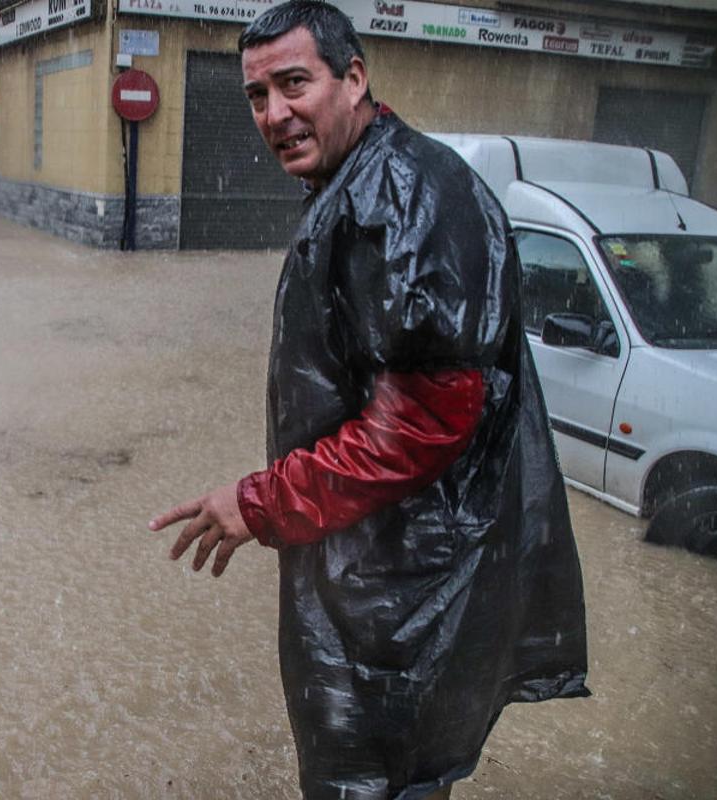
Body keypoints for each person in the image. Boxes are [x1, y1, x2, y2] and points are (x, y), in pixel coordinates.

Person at [148, 3, 589, 798]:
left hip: (404, 607)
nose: (274, 114)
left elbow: (423, 422)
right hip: (379, 583)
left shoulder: (401, 199)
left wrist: (260, 502)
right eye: (257, 96)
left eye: (293, 84)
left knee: (376, 782)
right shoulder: (364, 183)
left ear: (354, 78)